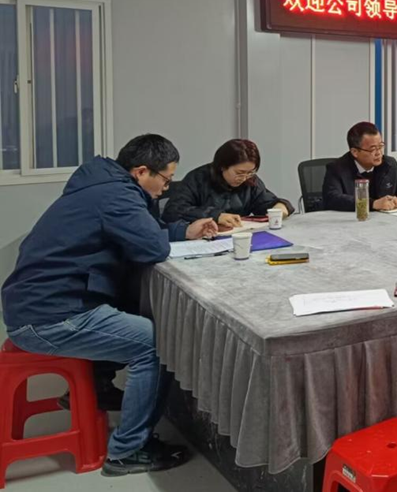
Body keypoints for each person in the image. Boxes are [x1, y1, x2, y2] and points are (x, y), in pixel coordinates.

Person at [1, 134, 218, 476]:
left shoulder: (102, 186)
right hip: (50, 316)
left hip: (38, 305)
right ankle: (128, 451)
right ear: (141, 171)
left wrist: (185, 231)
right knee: (155, 344)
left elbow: (143, 234)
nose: (166, 188)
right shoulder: (117, 196)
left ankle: (96, 389)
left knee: (132, 310)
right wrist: (168, 233)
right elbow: (152, 247)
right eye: (165, 180)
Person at [163, 139, 293, 229]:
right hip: (204, 240)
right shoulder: (198, 178)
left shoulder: (250, 180)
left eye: (250, 172)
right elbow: (173, 211)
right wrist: (216, 216)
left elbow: (265, 202)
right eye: (239, 173)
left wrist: (281, 207)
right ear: (223, 166)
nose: (244, 178)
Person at [322, 122, 397, 211]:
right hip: (352, 220)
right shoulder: (337, 168)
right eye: (373, 149)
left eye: (380, 146)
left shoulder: (388, 164)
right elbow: (332, 199)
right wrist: (373, 204)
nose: (379, 153)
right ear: (355, 152)